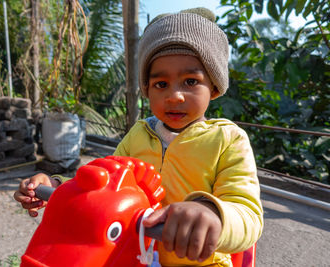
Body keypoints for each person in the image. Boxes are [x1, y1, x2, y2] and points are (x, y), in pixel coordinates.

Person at [14, 8, 263, 267]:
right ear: (147, 89)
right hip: (135, 253)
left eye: (190, 81)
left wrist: (212, 214)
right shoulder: (138, 135)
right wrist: (59, 187)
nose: (174, 96)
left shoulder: (228, 140)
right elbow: (104, 185)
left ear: (213, 87)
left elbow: (248, 215)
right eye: (161, 84)